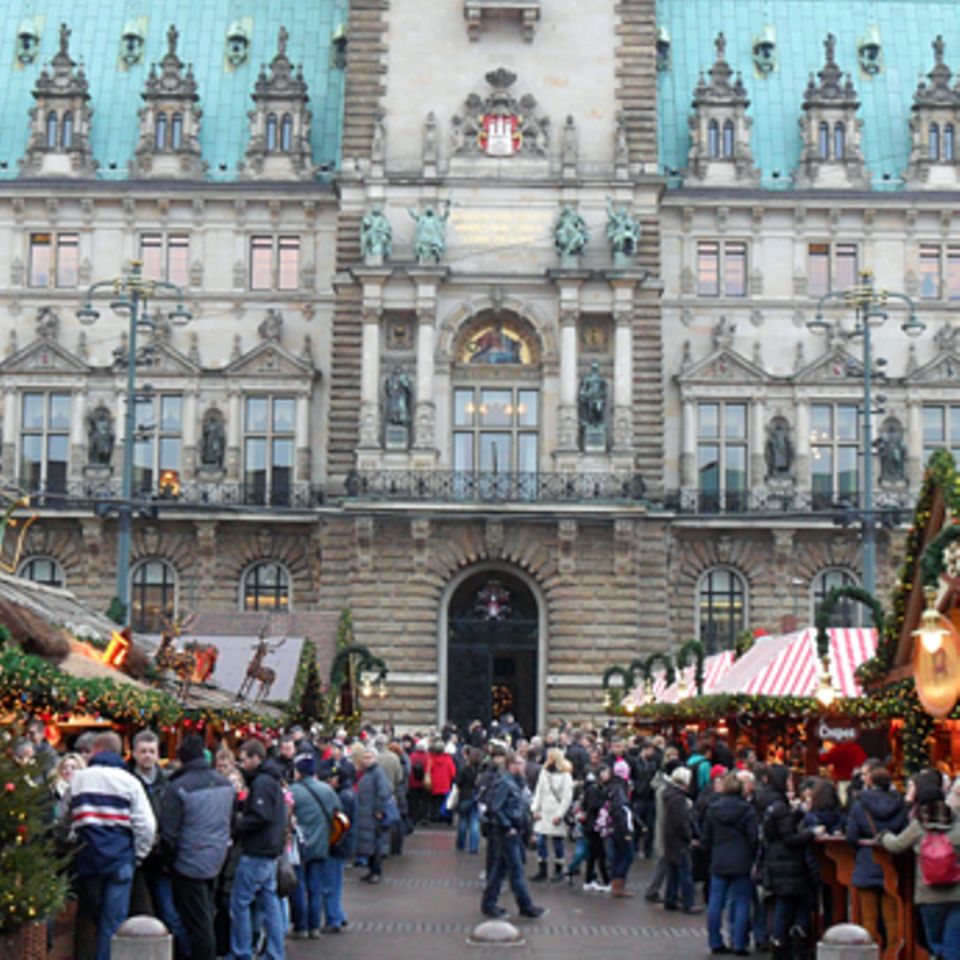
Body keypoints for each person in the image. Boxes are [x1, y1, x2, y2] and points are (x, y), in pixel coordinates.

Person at [65, 731, 156, 960]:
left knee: (93, 914)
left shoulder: (78, 780)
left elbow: (64, 818)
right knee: (113, 922)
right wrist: (138, 855)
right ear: (120, 752)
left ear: (96, 750)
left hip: (88, 857)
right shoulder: (130, 781)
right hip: (120, 858)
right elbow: (147, 825)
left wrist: (69, 840)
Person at [159, 734, 235, 960]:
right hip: (217, 856)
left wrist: (167, 861)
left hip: (188, 861)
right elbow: (230, 822)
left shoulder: (178, 787)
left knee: (197, 922)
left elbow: (169, 833)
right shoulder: (224, 783)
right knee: (206, 916)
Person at [880, 769, 960, 960]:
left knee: (933, 941)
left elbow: (896, 845)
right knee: (954, 943)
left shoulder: (919, 824)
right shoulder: (957, 823)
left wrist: (884, 836)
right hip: (957, 893)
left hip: (928, 893)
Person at [129, 729, 187, 956]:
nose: (147, 756)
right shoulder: (128, 780)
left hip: (161, 856)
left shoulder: (168, 782)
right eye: (143, 751)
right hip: (134, 855)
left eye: (151, 751)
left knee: (168, 912)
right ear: (133, 753)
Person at [230, 738, 287, 960]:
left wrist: (238, 823)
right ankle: (275, 951)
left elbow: (261, 816)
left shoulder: (262, 782)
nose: (242, 764)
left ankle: (242, 952)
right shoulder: (272, 780)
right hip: (270, 850)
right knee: (269, 902)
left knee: (241, 903)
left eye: (244, 759)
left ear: (256, 758)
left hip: (258, 850)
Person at [846, 767, 908, 949]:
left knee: (868, 917)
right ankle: (893, 953)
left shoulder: (860, 805)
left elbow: (851, 836)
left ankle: (870, 954)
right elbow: (905, 831)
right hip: (892, 862)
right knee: (893, 918)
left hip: (867, 860)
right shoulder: (900, 804)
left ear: (870, 782)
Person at [480, 751, 545, 920]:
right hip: (506, 832)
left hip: (515, 829)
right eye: (519, 763)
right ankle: (525, 905)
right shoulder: (504, 783)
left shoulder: (518, 783)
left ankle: (489, 904)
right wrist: (508, 826)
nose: (523, 766)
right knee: (516, 869)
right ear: (511, 765)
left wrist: (527, 826)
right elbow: (495, 807)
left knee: (500, 870)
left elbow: (521, 807)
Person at [703, 772, 759, 956]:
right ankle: (739, 943)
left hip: (719, 858)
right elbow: (753, 837)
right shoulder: (747, 810)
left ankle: (714, 941)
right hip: (741, 860)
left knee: (715, 902)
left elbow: (706, 837)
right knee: (742, 902)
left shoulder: (712, 809)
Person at [762, 765, 814, 960]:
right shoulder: (781, 806)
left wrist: (798, 814)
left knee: (784, 902)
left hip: (776, 860)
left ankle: (781, 941)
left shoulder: (772, 804)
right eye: (789, 780)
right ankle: (784, 943)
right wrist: (810, 834)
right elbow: (789, 837)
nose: (792, 784)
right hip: (786, 862)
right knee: (787, 903)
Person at [289, 754, 343, 938]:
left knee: (299, 886)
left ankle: (301, 926)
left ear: (298, 772)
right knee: (315, 886)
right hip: (321, 844)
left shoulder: (293, 791)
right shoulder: (327, 790)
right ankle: (314, 926)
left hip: (300, 845)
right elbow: (337, 812)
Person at [530, 748, 574, 883]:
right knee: (541, 841)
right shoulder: (544, 772)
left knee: (557, 842)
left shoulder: (565, 775)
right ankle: (542, 870)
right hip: (543, 811)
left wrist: (560, 815)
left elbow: (567, 797)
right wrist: (535, 809)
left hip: (556, 811)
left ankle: (558, 870)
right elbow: (539, 791)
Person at [662, 766, 700, 913]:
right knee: (685, 871)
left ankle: (670, 899)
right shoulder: (679, 799)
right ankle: (688, 902)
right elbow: (681, 822)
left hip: (671, 838)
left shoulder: (671, 795)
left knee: (673, 870)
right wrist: (689, 837)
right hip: (678, 841)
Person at [355, 746, 393, 884]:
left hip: (373, 814)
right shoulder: (367, 773)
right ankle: (371, 871)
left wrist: (379, 810)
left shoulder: (378, 773)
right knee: (369, 844)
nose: (366, 760)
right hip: (366, 814)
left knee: (376, 844)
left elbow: (384, 792)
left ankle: (376, 871)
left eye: (369, 757)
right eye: (364, 757)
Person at [455, 746, 482, 855]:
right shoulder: (480, 770)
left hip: (464, 796)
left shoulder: (463, 769)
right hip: (476, 797)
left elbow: (458, 782)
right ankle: (473, 846)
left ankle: (461, 844)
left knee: (462, 821)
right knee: (474, 822)